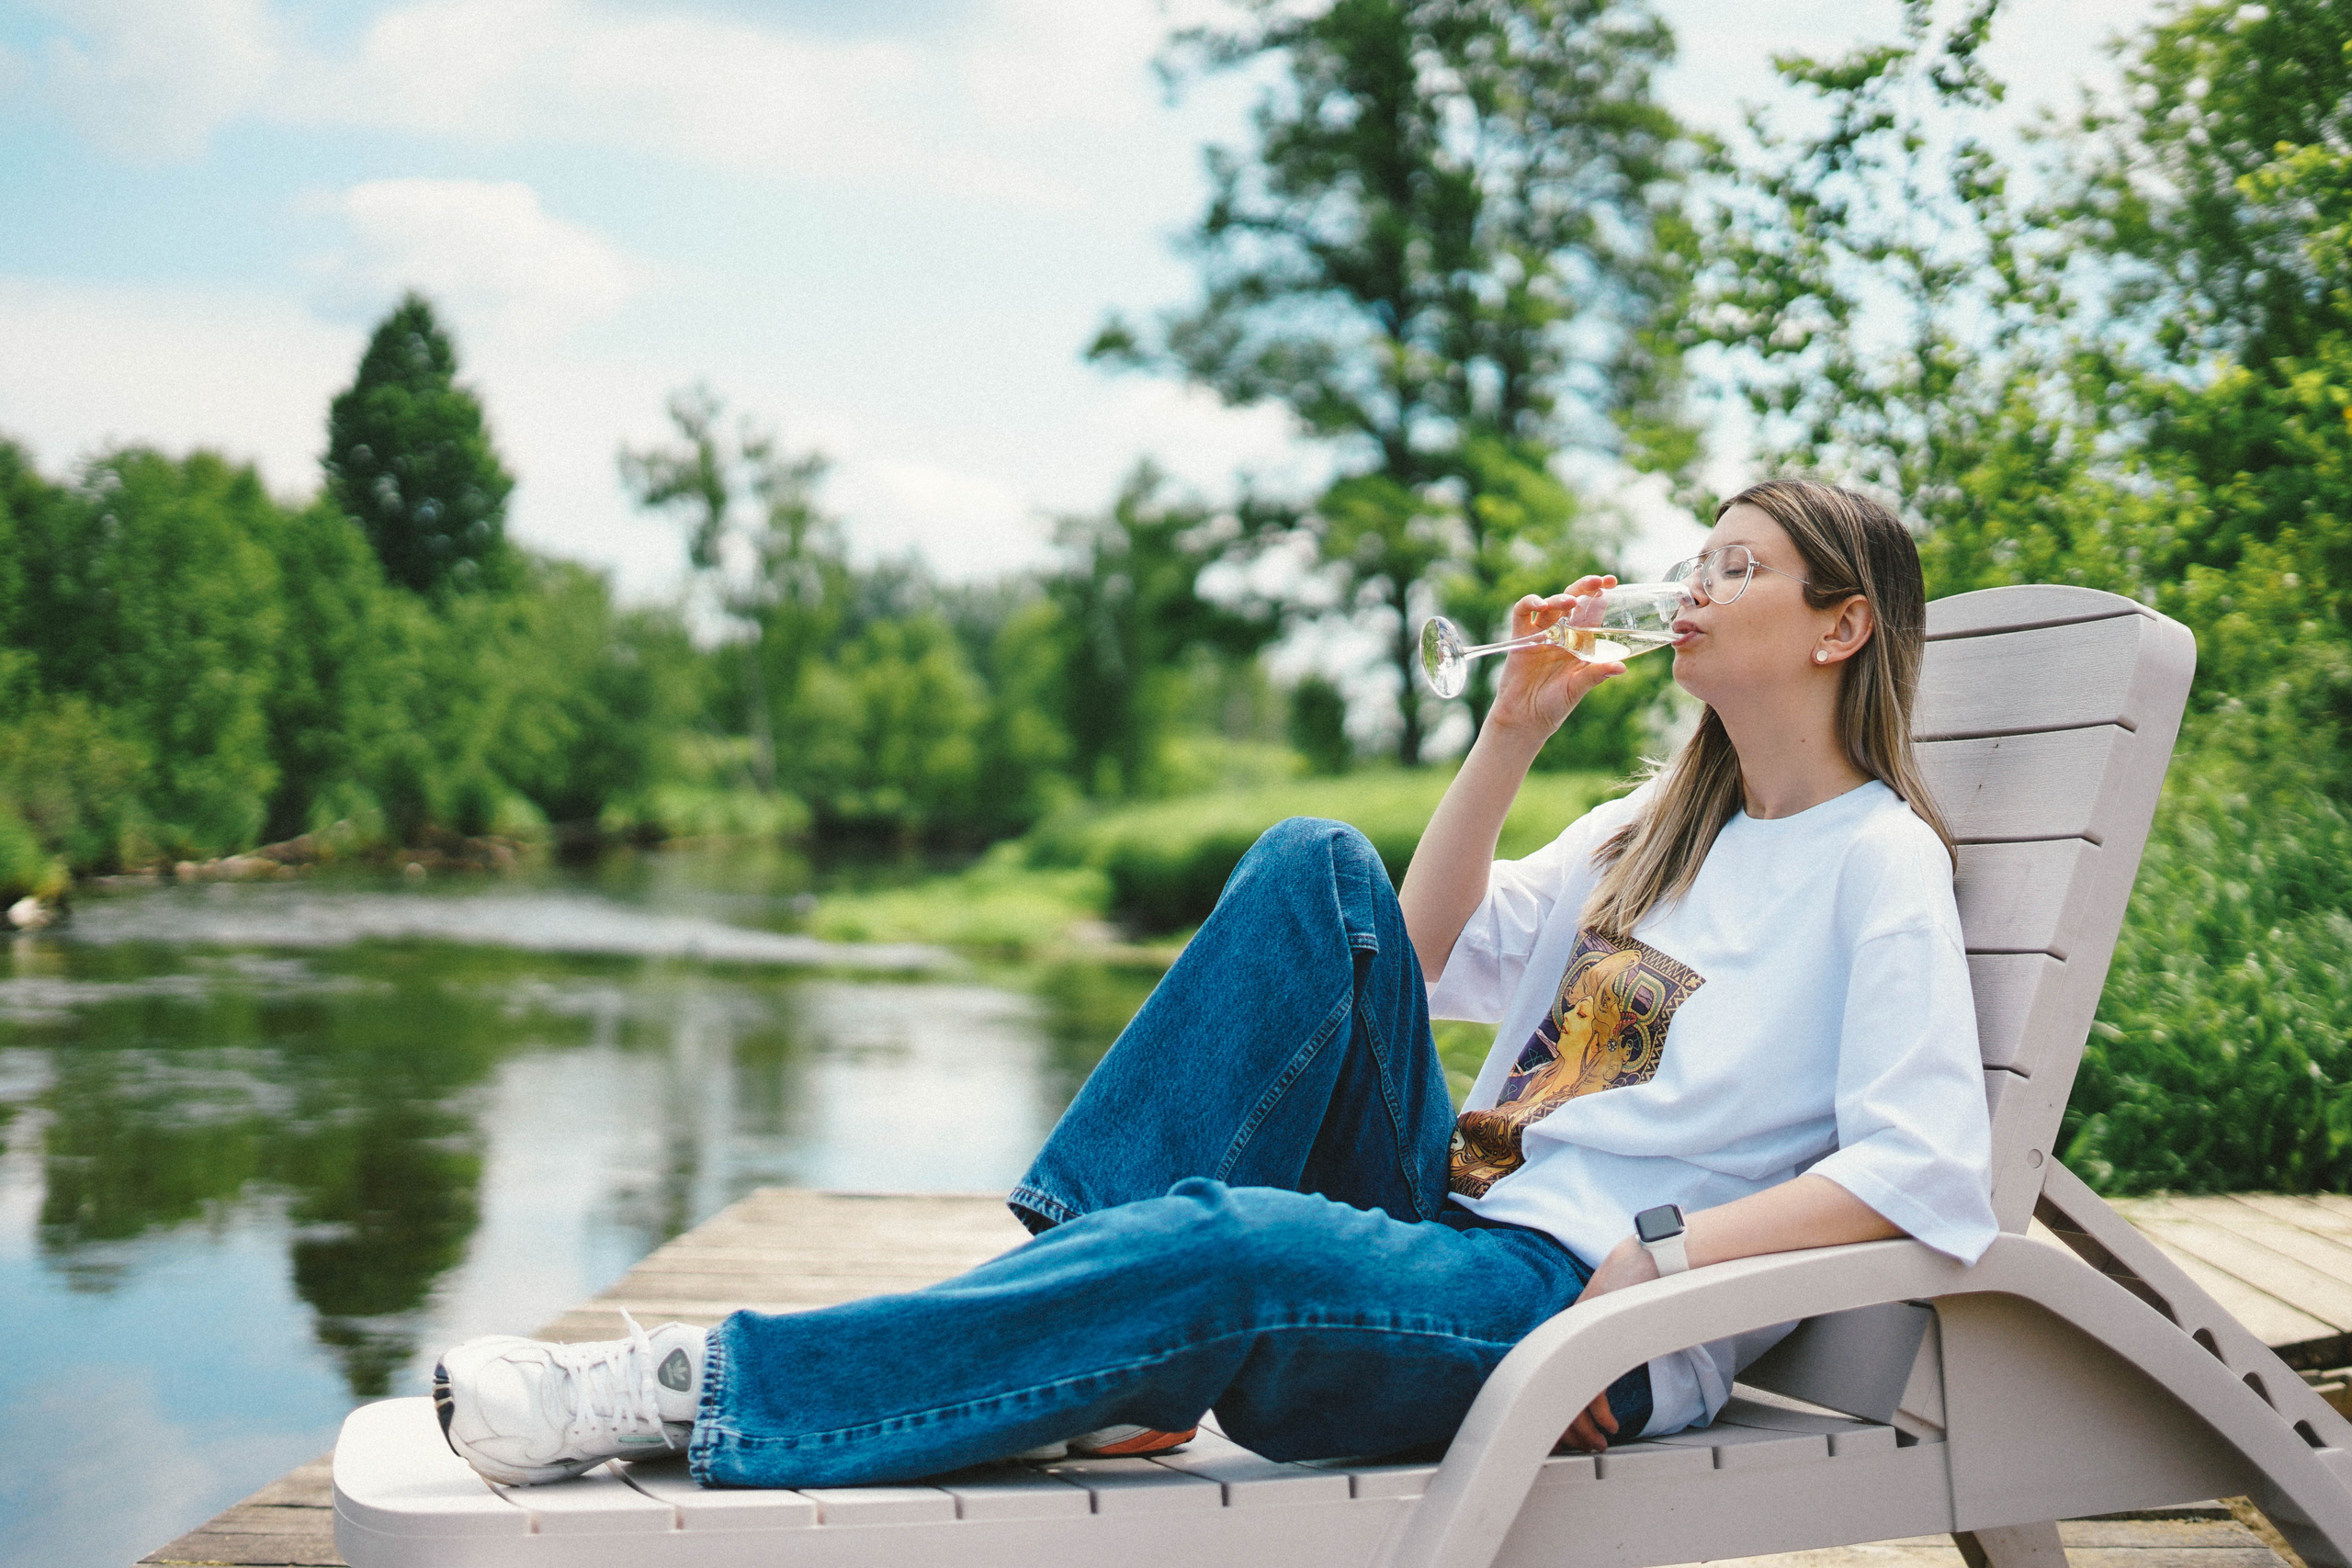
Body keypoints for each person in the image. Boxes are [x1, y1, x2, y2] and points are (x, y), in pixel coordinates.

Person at [431, 477, 1996, 1489]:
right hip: (1446, 1218)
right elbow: (1410, 955)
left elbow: (1924, 1168)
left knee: (1224, 1249)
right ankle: (1099, 1328)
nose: (1693, 587)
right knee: (1318, 859)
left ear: (1842, 626)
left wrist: (1641, 1289)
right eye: (1694, 558)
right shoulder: (1650, 829)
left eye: (1738, 566)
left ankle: (696, 1390)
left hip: (1555, 1306)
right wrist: (1506, 734)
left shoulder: (1880, 863)